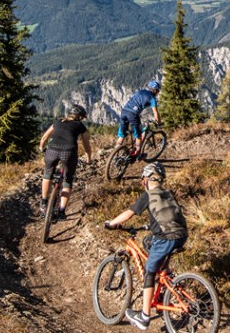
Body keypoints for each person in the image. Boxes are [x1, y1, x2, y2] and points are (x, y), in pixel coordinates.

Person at [104, 161, 188, 331]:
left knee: (149, 271)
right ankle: (164, 279)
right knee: (149, 242)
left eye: (143, 178)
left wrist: (112, 223)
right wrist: (151, 226)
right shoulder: (168, 193)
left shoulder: (148, 195)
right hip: (181, 236)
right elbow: (167, 215)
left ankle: (144, 316)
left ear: (147, 179)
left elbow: (129, 213)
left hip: (166, 238)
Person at [38, 104, 92, 219]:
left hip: (51, 150)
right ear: (80, 117)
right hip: (68, 152)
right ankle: (61, 211)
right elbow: (86, 144)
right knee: (67, 180)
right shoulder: (80, 126)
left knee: (48, 174)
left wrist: (41, 148)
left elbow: (44, 138)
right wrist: (89, 158)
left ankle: (43, 201)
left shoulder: (57, 121)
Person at [117, 80, 162, 156]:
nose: (158, 93)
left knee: (122, 135)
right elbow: (156, 113)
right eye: (158, 91)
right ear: (155, 90)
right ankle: (137, 154)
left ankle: (115, 155)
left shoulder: (141, 91)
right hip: (133, 115)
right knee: (138, 136)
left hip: (124, 111)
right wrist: (159, 123)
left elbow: (136, 102)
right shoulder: (152, 98)